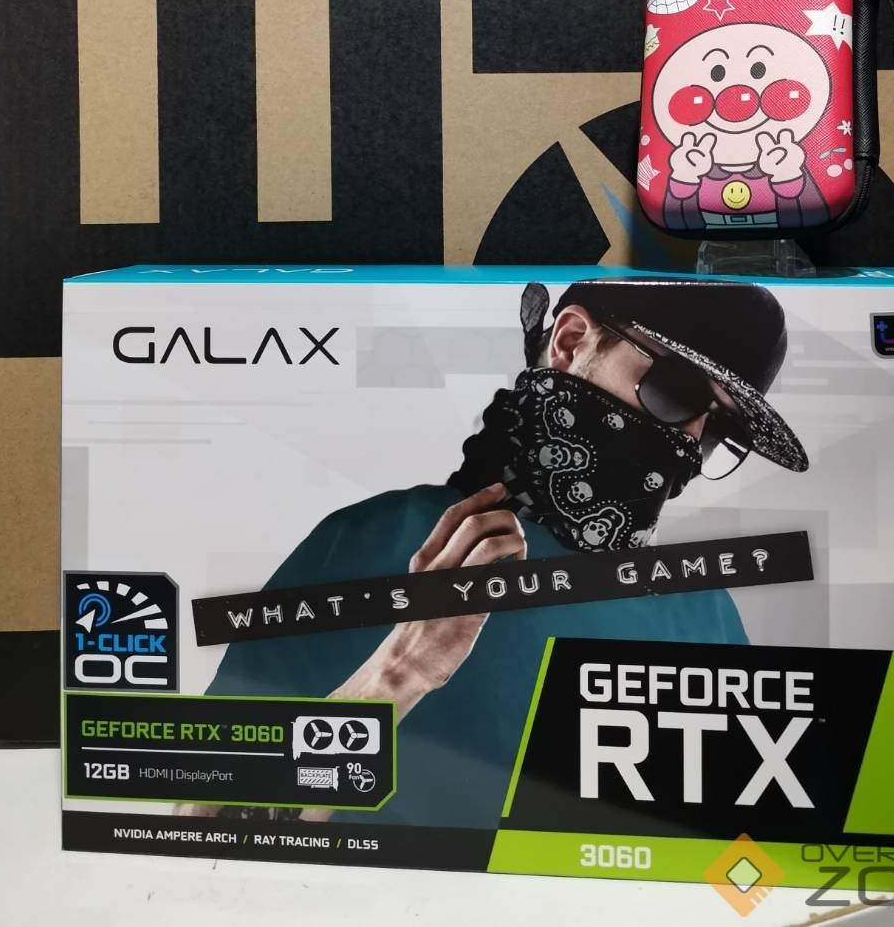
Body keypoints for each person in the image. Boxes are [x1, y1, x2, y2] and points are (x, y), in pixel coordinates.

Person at [202, 278, 807, 829]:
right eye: (677, 391)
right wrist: (401, 671)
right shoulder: (370, 538)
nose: (688, 442)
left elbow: (734, 847)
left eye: (720, 432)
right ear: (569, 341)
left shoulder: (701, 607)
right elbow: (214, 823)